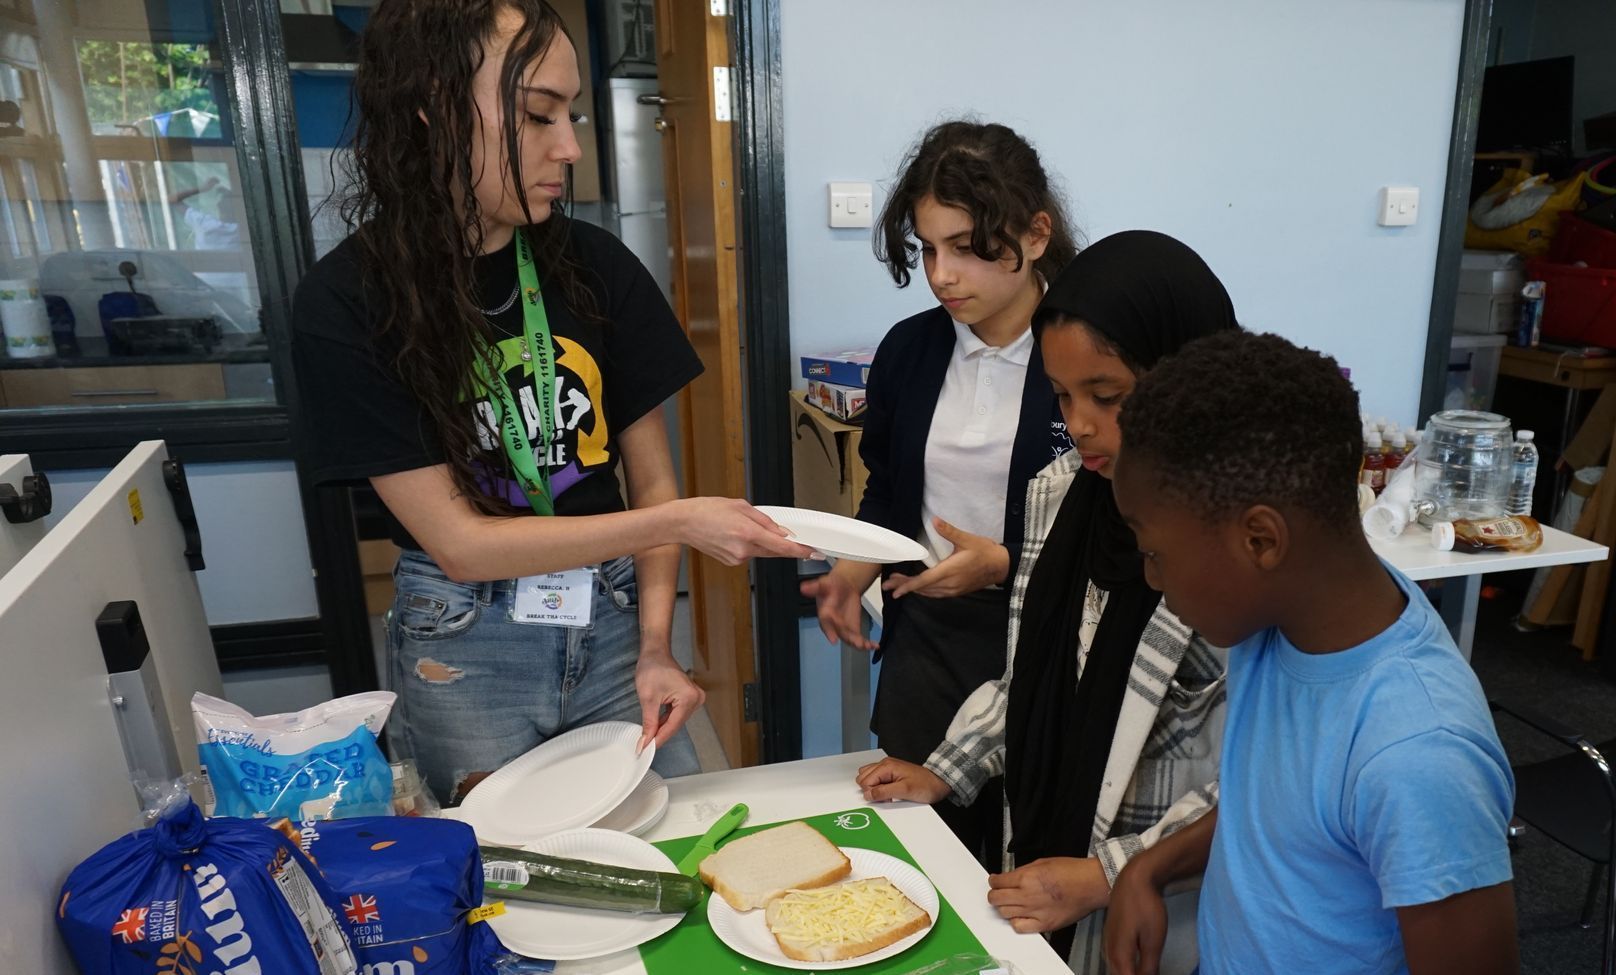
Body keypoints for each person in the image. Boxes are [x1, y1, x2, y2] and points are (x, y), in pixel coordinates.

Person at [290, 0, 811, 805]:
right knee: (513, 884)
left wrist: (655, 648)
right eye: (537, 115)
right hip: (464, 646)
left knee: (671, 844)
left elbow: (653, 482)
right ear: (432, 103)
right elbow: (461, 543)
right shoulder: (347, 301)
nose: (568, 147)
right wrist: (674, 525)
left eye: (571, 113)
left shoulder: (595, 266)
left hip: (610, 618)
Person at [855, 231, 1237, 972]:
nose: (1081, 422)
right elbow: (1033, 669)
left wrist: (1112, 871)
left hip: (1164, 905)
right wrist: (949, 765)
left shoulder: (1239, 546)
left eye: (1107, 395)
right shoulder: (1060, 492)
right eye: (1063, 395)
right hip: (1043, 861)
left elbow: (1262, 779)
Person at [1104, 330, 1517, 975]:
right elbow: (1282, 820)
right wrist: (1149, 867)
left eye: (1155, 552)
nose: (1151, 578)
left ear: (1261, 541)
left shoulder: (1416, 755)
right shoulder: (1286, 624)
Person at [802, 120, 1079, 863]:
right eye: (928, 249)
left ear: (1036, 233)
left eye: (965, 247)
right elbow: (889, 490)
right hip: (928, 632)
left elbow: (1113, 527)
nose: (942, 274)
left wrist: (1006, 563)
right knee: (925, 848)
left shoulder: (1082, 353)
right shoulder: (911, 350)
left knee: (1031, 853)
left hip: (1050, 635)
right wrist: (854, 567)